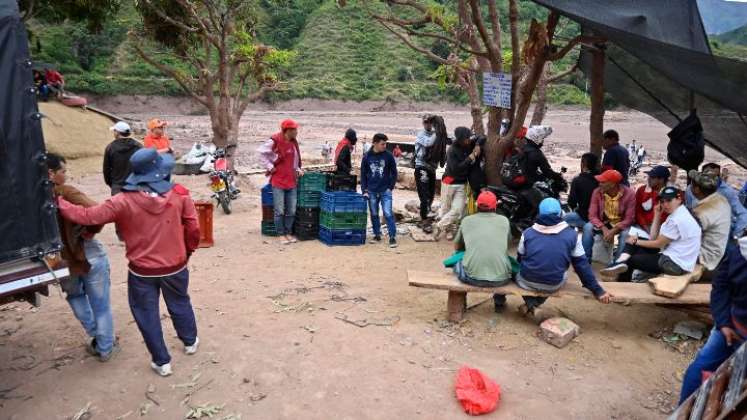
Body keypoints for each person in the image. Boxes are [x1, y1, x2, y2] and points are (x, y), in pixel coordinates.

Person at [58, 148, 200, 377]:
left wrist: (59, 202)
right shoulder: (180, 195)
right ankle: (190, 341)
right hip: (176, 266)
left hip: (141, 271)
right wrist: (187, 251)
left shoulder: (122, 200)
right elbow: (193, 229)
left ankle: (162, 362)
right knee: (180, 302)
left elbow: (87, 216)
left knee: (147, 313)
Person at [48, 153, 118, 362]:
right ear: (50, 173)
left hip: (58, 259)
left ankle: (97, 337)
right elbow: (98, 211)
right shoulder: (65, 192)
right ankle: (105, 347)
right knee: (101, 304)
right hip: (86, 252)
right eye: (63, 171)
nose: (66, 175)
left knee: (75, 296)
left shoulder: (30, 199)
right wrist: (89, 232)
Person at [516, 198, 612, 318]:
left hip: (526, 282)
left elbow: (520, 259)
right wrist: (598, 291)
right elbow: (582, 266)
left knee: (517, 272)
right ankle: (533, 305)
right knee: (560, 273)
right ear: (561, 214)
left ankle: (531, 303)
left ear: (539, 214)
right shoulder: (572, 235)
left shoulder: (527, 233)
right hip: (553, 284)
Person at [679, 235, 747, 403]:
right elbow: (721, 286)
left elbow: (721, 286)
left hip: (732, 326)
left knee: (733, 394)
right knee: (700, 371)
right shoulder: (739, 251)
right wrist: (723, 323)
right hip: (731, 327)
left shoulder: (740, 249)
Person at [602, 186, 701, 282]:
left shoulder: (676, 219)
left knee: (632, 259)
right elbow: (653, 237)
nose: (665, 205)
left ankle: (621, 279)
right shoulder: (681, 212)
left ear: (679, 199)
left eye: (669, 200)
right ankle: (620, 262)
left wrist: (635, 241)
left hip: (674, 265)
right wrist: (657, 214)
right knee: (633, 242)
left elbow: (658, 243)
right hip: (680, 260)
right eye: (662, 201)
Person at [453, 191, 513, 312]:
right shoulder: (504, 221)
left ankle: (461, 299)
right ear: (495, 206)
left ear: (477, 205)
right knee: (503, 259)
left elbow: (457, 246)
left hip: (472, 278)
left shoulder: (467, 221)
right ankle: (499, 302)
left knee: (457, 259)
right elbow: (507, 244)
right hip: (501, 279)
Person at [258, 119, 304, 245]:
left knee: (291, 210)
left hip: (291, 181)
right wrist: (269, 167)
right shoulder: (275, 140)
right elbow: (261, 153)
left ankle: (288, 232)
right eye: (294, 129)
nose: (296, 132)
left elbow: (295, 161)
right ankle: (281, 234)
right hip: (278, 181)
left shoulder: (294, 143)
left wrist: (298, 169)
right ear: (287, 130)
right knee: (279, 210)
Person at [584, 169, 635, 262]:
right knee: (587, 227)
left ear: (612, 184)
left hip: (621, 224)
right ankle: (584, 261)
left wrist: (613, 231)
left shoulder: (629, 194)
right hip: (604, 222)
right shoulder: (597, 192)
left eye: (603, 182)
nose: (599, 184)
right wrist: (604, 228)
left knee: (625, 235)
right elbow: (592, 215)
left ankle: (617, 265)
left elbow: (629, 219)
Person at [434, 127, 475, 241]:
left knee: (457, 210)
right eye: (467, 138)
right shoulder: (452, 150)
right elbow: (456, 169)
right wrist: (470, 158)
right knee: (446, 208)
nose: (469, 140)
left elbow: (480, 139)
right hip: (449, 181)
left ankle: (439, 226)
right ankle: (448, 230)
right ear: (461, 139)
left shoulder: (468, 145)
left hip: (462, 183)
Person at [687, 162, 747, 240]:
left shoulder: (727, 192)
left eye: (716, 176)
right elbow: (689, 208)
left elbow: (742, 213)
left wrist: (735, 235)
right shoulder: (691, 189)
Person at [689, 170, 731, 273]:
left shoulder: (702, 212)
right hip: (718, 253)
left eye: (691, 183)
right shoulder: (720, 199)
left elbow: (687, 237)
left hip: (706, 259)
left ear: (697, 189)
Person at [361, 133, 398, 248]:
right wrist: (364, 190)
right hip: (371, 191)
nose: (385, 146)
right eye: (383, 144)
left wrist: (390, 187)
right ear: (375, 143)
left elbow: (394, 172)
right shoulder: (366, 157)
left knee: (388, 213)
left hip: (385, 191)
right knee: (374, 214)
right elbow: (363, 175)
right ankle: (377, 235)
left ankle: (392, 237)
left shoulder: (388, 156)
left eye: (385, 144)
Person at [104, 121, 142, 195]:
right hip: (134, 187)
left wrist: (113, 185)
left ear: (117, 132)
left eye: (114, 130)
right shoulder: (138, 146)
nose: (113, 132)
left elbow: (106, 170)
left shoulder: (110, 147)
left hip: (117, 188)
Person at [564, 153, 599, 229]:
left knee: (563, 219)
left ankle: (570, 238)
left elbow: (571, 202)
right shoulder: (602, 179)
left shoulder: (577, 180)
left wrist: (577, 209)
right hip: (599, 218)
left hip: (584, 217)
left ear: (583, 164)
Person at [415, 115, 437, 232]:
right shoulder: (421, 135)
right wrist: (438, 133)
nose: (428, 124)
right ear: (423, 123)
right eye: (426, 123)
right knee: (424, 197)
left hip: (432, 168)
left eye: (430, 122)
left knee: (431, 195)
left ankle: (426, 216)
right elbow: (428, 143)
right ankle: (424, 219)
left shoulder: (435, 134)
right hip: (421, 167)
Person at [634, 165, 670, 235]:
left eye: (652, 177)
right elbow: (637, 211)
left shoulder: (671, 194)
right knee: (625, 234)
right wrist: (644, 225)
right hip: (642, 227)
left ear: (661, 180)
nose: (649, 179)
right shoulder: (641, 190)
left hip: (663, 228)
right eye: (649, 176)